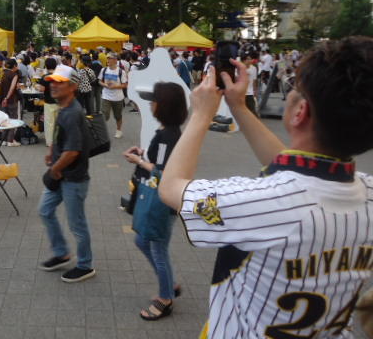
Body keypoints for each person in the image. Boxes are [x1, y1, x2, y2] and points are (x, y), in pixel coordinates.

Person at [159, 37, 373, 338]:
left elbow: (171, 188)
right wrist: (239, 107)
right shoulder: (366, 194)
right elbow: (297, 170)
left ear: (300, 111)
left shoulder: (259, 203)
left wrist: (201, 115)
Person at [123, 82, 187, 320]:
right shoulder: (168, 132)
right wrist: (143, 154)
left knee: (157, 250)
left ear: (164, 106)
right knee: (142, 241)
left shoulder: (168, 135)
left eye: (154, 101)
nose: (150, 104)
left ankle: (165, 298)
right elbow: (160, 161)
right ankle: (169, 283)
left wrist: (138, 161)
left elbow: (162, 171)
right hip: (160, 198)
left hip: (162, 202)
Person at [39, 64, 95, 283]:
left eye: (59, 82)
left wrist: (54, 169)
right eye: (52, 81)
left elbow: (72, 152)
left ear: (73, 86)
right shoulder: (64, 107)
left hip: (73, 178)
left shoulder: (72, 113)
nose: (53, 85)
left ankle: (85, 265)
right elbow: (62, 138)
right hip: (62, 174)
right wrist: (52, 151)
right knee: (45, 211)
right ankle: (62, 253)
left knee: (77, 224)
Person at [98, 53, 128, 139]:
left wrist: (115, 86)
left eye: (110, 58)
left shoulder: (121, 72)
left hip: (118, 97)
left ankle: (119, 130)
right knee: (104, 115)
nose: (108, 60)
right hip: (106, 96)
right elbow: (99, 81)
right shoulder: (103, 70)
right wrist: (105, 85)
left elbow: (125, 85)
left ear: (115, 60)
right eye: (107, 58)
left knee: (118, 116)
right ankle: (102, 132)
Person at [37, 58, 60, 148]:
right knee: (58, 123)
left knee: (49, 123)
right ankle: (58, 141)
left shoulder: (45, 77)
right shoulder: (60, 76)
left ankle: (50, 142)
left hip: (49, 102)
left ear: (46, 66)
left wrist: (37, 86)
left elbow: (41, 89)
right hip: (59, 102)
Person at [0, 58, 20, 147]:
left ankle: (4, 140)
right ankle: (10, 140)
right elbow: (12, 88)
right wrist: (7, 98)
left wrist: (4, 98)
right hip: (11, 99)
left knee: (5, 119)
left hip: (2, 99)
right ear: (14, 66)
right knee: (13, 119)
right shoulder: (14, 75)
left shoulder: (3, 73)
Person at [242, 53, 259, 117]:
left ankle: (255, 120)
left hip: (250, 92)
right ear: (244, 60)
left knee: (252, 108)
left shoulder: (253, 68)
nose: (250, 60)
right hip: (241, 92)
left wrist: (255, 90)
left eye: (250, 59)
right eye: (248, 59)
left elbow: (254, 80)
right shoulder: (239, 68)